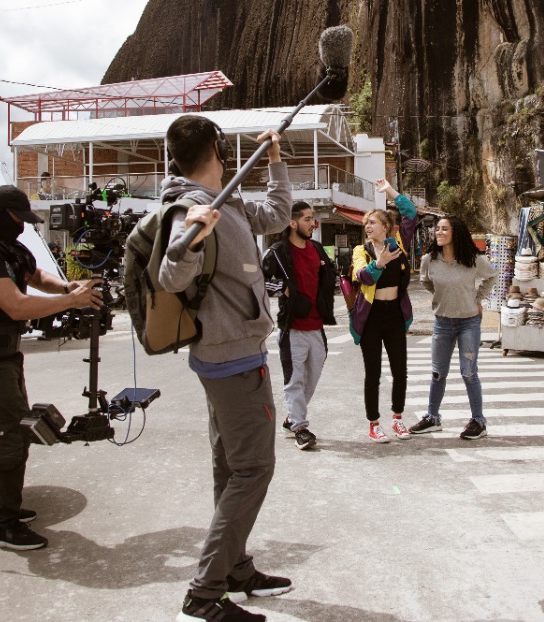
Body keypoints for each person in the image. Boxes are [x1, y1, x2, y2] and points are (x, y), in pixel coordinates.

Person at [158, 114, 292, 622]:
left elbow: (277, 215)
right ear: (216, 147)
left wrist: (275, 160)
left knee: (229, 468)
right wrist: (192, 237)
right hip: (231, 357)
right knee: (254, 468)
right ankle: (204, 594)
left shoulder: (229, 197)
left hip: (231, 353)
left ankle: (237, 570)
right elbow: (172, 272)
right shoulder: (191, 205)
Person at [0, 184, 102, 552]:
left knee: (9, 432)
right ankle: (3, 527)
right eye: (19, 219)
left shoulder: (0, 246)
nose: (23, 227)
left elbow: (33, 274)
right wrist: (70, 302)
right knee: (9, 436)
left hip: (1, 356)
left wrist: (65, 287)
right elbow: (17, 306)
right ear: (0, 214)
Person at [411, 215, 498, 439]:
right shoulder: (430, 259)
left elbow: (491, 276)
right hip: (442, 323)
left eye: (444, 229)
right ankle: (432, 417)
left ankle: (478, 421)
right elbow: (425, 281)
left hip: (469, 322)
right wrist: (441, 297)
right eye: (437, 229)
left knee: (468, 372)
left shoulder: (472, 258)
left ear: (455, 233)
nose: (438, 232)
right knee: (438, 373)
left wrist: (478, 299)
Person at [262, 201, 337, 450]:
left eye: (312, 218)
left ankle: (292, 417)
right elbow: (258, 281)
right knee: (295, 380)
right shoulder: (278, 252)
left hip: (317, 327)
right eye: (307, 219)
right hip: (292, 328)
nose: (312, 223)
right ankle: (300, 428)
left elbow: (330, 276)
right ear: (292, 223)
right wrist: (282, 288)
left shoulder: (316, 249)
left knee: (311, 379)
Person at [349, 178, 417, 443]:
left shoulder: (397, 243)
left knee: (400, 370)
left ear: (387, 227)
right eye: (366, 223)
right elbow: (362, 277)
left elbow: (411, 212)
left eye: (373, 222)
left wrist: (390, 191)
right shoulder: (360, 251)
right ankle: (374, 423)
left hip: (395, 315)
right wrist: (378, 263)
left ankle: (398, 419)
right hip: (372, 317)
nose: (368, 227)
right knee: (373, 373)